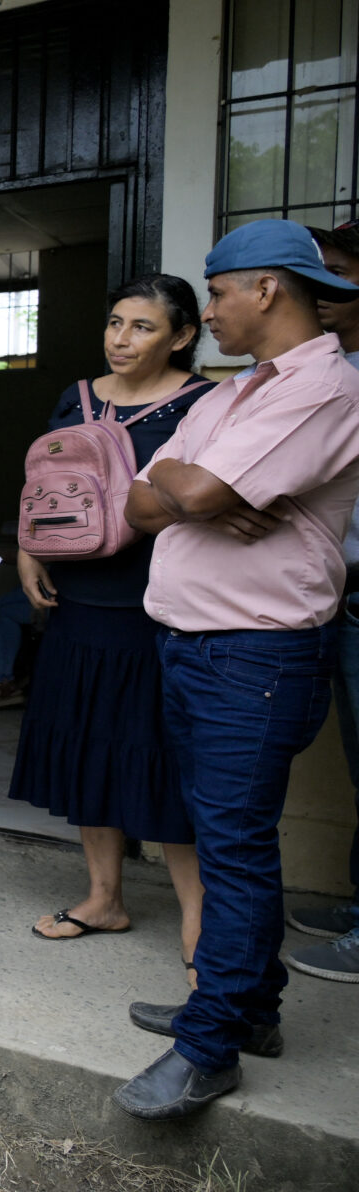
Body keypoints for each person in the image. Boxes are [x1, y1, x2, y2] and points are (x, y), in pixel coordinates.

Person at [114, 220, 359, 1119]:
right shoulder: (229, 395)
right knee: (227, 838)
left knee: (234, 850)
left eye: (216, 293)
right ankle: (251, 1011)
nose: (205, 309)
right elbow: (140, 501)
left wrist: (194, 489)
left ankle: (209, 1046)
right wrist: (190, 484)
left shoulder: (326, 388)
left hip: (256, 654)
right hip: (193, 646)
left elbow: (198, 493)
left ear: (267, 290)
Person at [8, 276, 213, 974]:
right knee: (91, 748)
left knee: (162, 760)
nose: (121, 339)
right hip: (79, 601)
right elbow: (44, 484)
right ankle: (104, 898)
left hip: (158, 607)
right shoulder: (78, 397)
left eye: (142, 328)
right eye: (115, 323)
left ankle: (199, 922)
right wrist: (27, 548)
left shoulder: (206, 404)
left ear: (182, 336)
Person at [284, 221, 359, 984]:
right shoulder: (306, 377)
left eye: (336, 276)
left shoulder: (333, 385)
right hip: (338, 600)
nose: (323, 294)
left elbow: (208, 489)